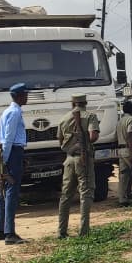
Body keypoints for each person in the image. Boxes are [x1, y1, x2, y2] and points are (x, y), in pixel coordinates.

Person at [57, 93, 100, 238]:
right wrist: (84, 141)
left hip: (69, 159)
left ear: (72, 103)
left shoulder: (64, 118)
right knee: (85, 193)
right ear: (85, 103)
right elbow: (93, 136)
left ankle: (61, 231)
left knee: (66, 195)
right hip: (84, 159)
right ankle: (84, 231)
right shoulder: (90, 116)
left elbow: (60, 140)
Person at [0, 84, 29, 244]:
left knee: (3, 191)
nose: (27, 97)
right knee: (11, 192)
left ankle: (0, 230)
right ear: (20, 96)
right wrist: (6, 159)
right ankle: (10, 233)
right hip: (13, 152)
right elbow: (9, 138)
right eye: (26, 95)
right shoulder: (15, 112)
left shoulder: (7, 111)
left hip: (7, 152)